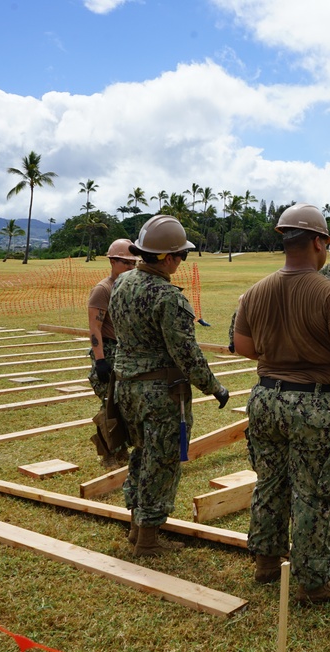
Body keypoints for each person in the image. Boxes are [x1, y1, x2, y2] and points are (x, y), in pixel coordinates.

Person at [233, 203, 330, 605]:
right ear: (317, 242)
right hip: (315, 405)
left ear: (284, 240)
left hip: (265, 399)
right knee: (315, 493)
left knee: (271, 483)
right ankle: (313, 583)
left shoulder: (255, 291)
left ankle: (265, 562)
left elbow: (244, 346)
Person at [109, 215, 230, 557]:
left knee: (140, 455)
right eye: (181, 255)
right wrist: (215, 387)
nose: (181, 261)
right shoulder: (168, 298)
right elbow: (187, 355)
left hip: (126, 389)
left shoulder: (121, 284)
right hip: (159, 395)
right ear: (166, 257)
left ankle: (137, 527)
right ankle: (147, 540)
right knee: (161, 462)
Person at [87, 239, 136, 399]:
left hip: (127, 352)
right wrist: (100, 361)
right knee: (111, 407)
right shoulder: (103, 290)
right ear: (112, 261)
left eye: (133, 263)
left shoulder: (130, 287)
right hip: (109, 352)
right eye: (126, 262)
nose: (130, 267)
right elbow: (95, 328)